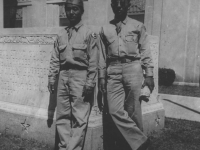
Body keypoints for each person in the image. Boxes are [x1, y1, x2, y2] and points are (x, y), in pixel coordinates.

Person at [98, 0, 155, 149]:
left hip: (133, 67)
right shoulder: (105, 29)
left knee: (133, 112)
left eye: (122, 3)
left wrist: (149, 74)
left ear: (128, 4)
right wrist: (102, 77)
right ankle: (142, 142)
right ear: (111, 6)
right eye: (115, 3)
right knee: (114, 110)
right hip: (113, 69)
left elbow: (145, 52)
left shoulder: (138, 26)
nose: (119, 6)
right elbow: (102, 56)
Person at [48, 0, 99, 149]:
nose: (71, 12)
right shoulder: (61, 34)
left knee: (79, 118)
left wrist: (90, 82)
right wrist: (52, 77)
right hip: (63, 77)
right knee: (62, 116)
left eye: (75, 9)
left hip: (80, 77)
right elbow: (54, 58)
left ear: (81, 11)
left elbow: (94, 61)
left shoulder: (89, 33)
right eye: (68, 9)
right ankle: (64, 147)